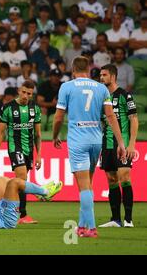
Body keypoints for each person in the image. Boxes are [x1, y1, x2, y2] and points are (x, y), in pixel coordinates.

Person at [52, 56, 127, 238]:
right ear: (89, 69)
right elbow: (110, 117)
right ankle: (81, 226)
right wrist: (121, 143)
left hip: (78, 139)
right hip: (96, 140)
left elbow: (59, 117)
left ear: (73, 69)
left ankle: (91, 228)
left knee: (84, 186)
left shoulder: (67, 87)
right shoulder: (101, 88)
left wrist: (55, 135)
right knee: (88, 184)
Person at [0, 80, 43, 224]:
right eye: (24, 92)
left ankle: (9, 206)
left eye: (29, 94)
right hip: (15, 147)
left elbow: (38, 135)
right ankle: (22, 215)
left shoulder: (35, 108)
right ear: (19, 90)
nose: (26, 96)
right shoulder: (8, 108)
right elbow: (0, 133)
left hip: (29, 149)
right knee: (21, 175)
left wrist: (39, 155)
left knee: (23, 181)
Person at [99, 64, 138, 228]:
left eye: (104, 75)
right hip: (107, 144)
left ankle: (128, 219)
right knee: (111, 179)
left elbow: (134, 119)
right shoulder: (102, 97)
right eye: (100, 75)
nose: (101, 78)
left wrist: (131, 144)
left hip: (122, 144)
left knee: (124, 177)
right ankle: (115, 219)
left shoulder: (124, 95)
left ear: (113, 76)